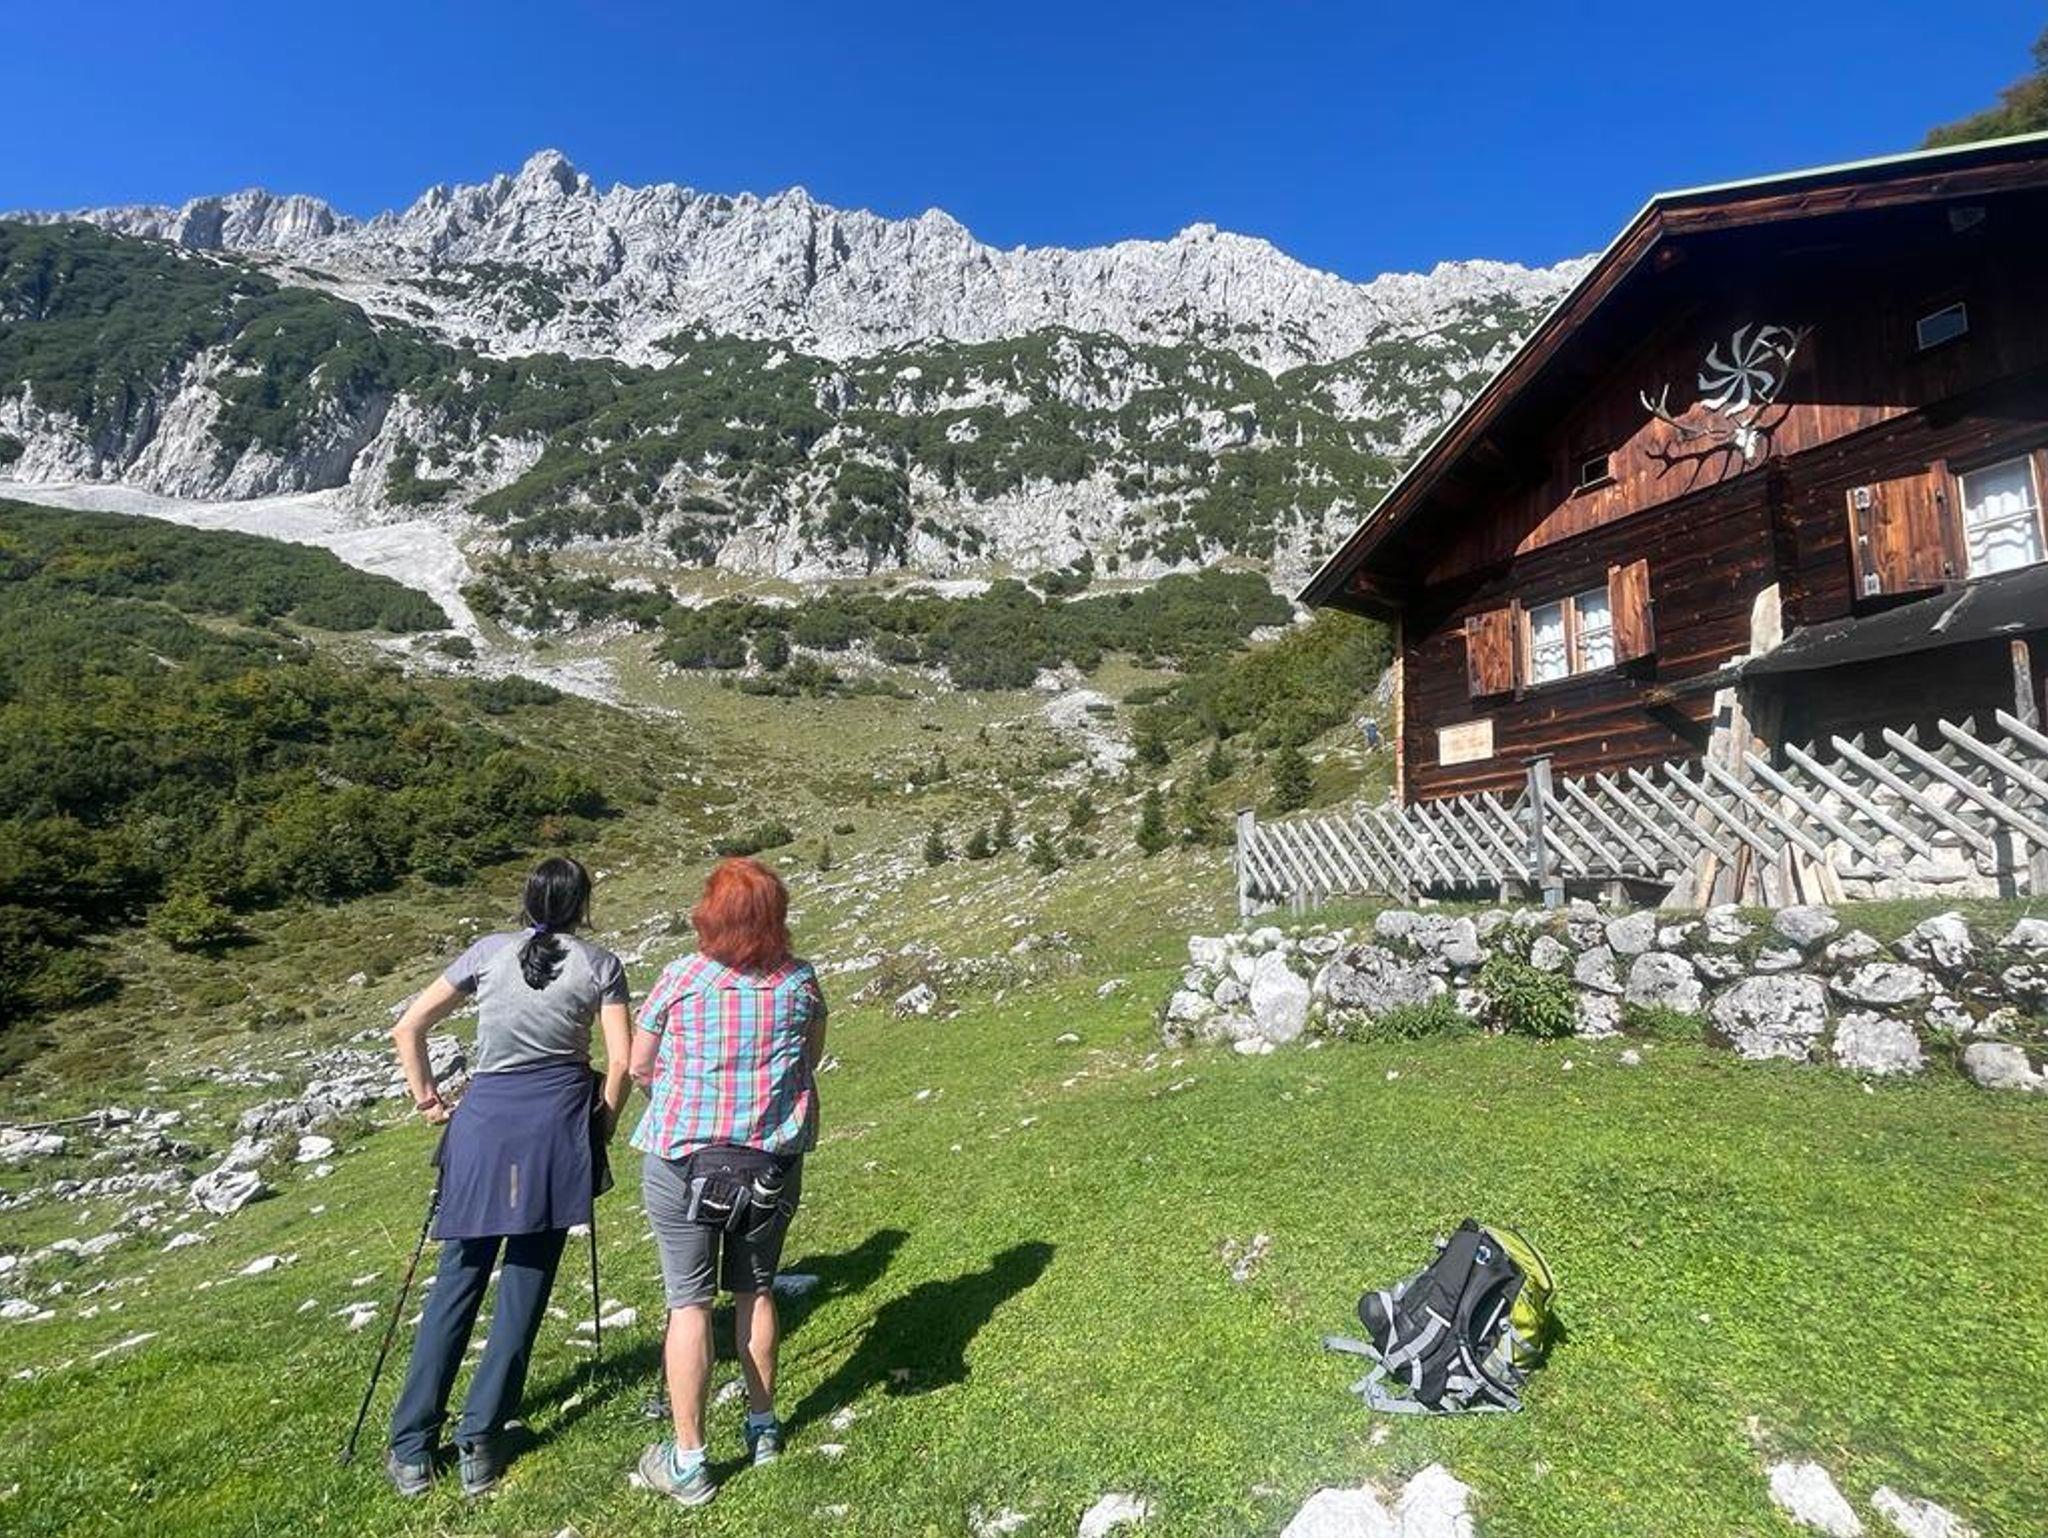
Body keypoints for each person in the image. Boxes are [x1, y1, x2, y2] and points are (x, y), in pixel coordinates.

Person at [381, 856, 632, 1499]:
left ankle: (412, 1449)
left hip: (482, 1128)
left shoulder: (486, 954)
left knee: (457, 1282)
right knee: (525, 1284)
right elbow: (621, 1062)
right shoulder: (601, 965)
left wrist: (428, 1100)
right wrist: (601, 1126)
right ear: (582, 904)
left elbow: (408, 1027)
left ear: (527, 899)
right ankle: (482, 1439)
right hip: (555, 1130)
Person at [631, 857, 828, 1508]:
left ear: (709, 916)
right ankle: (763, 1428)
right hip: (768, 1164)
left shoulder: (681, 977)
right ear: (776, 916)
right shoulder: (800, 981)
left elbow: (639, 1067)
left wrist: (682, 1096)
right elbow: (810, 1057)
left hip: (683, 1158)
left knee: (689, 1303)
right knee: (755, 1290)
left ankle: (690, 1461)